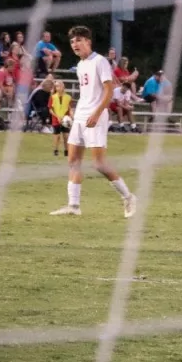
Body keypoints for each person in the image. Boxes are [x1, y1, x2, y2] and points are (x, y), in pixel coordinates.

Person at [49, 25, 136, 218]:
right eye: (72, 41)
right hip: (81, 116)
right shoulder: (81, 65)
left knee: (99, 164)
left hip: (96, 116)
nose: (75, 44)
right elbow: (87, 93)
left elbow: (108, 91)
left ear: (88, 41)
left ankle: (128, 197)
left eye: (79, 40)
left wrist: (97, 113)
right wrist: (74, 112)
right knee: (73, 161)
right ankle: (73, 205)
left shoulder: (100, 61)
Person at [49, 79, 72, 157]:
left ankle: (66, 150)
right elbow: (50, 110)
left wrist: (71, 116)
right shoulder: (53, 97)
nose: (58, 88)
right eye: (56, 86)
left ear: (63, 87)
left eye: (59, 86)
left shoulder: (68, 97)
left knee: (66, 136)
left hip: (65, 119)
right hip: (56, 119)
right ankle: (55, 150)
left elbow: (69, 108)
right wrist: (57, 117)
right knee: (57, 136)